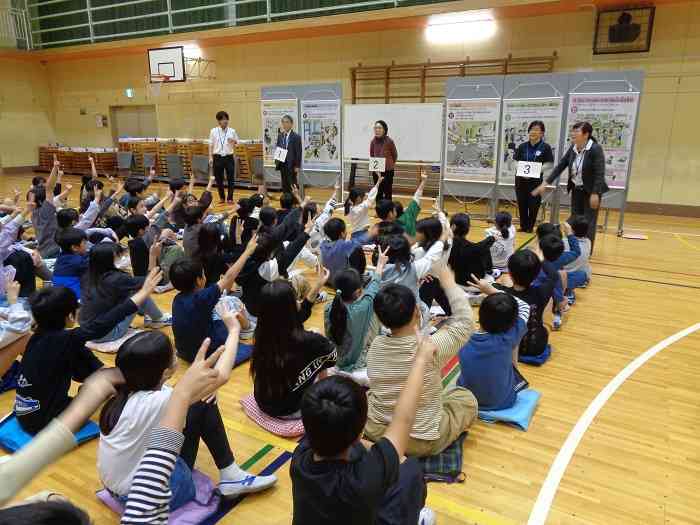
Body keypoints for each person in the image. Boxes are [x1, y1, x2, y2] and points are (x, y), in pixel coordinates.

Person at [98, 322, 277, 505]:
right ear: (165, 373)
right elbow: (221, 376)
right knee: (201, 402)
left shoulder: (124, 395)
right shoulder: (155, 402)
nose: (176, 354)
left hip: (120, 489)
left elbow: (184, 390)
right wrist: (234, 329)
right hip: (145, 497)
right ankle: (231, 475)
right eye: (173, 354)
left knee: (196, 400)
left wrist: (202, 388)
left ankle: (230, 474)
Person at [291, 335, 438, 525]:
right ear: (360, 432)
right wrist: (421, 359)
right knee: (410, 471)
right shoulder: (362, 479)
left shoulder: (299, 458)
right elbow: (404, 419)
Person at [14, 269, 162, 435]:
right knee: (105, 381)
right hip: (45, 424)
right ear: (70, 316)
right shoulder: (65, 340)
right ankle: (141, 395)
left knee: (80, 353)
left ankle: (116, 385)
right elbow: (104, 323)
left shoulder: (36, 337)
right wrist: (143, 293)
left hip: (25, 415)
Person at [365, 266, 478, 457]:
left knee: (371, 395)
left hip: (379, 431)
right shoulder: (432, 346)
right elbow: (466, 323)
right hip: (421, 440)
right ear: (418, 311)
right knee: (465, 398)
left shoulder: (376, 345)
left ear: (382, 319)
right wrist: (449, 283)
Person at [251, 280, 337, 419]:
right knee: (319, 346)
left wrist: (318, 284)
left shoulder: (262, 332)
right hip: (290, 410)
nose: (299, 301)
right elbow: (332, 355)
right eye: (296, 298)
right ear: (290, 307)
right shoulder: (307, 340)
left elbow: (302, 313)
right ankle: (324, 393)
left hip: (263, 400)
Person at [170, 236, 256, 363]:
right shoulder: (203, 297)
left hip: (183, 351)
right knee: (230, 310)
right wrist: (247, 251)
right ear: (199, 280)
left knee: (221, 308)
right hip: (207, 353)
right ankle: (248, 329)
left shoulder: (177, 299)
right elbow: (229, 277)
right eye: (203, 273)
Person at [457, 275, 530, 410]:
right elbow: (524, 306)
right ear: (511, 323)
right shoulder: (508, 336)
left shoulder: (462, 336)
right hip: (502, 401)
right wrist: (490, 290)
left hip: (468, 399)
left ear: (480, 315)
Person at [532, 121, 608, 249]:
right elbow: (560, 166)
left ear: (586, 134)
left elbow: (600, 172)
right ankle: (574, 246)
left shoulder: (595, 149)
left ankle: (586, 250)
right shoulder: (573, 148)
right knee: (575, 218)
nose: (573, 134)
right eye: (573, 131)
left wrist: (595, 193)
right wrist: (545, 183)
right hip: (577, 189)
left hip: (592, 191)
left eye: (577, 131)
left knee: (588, 221)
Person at [79, 243, 171, 343]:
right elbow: (149, 281)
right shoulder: (116, 278)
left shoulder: (88, 275)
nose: (120, 257)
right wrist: (152, 255)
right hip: (105, 334)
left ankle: (150, 315)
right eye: (117, 255)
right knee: (138, 292)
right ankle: (158, 319)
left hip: (87, 329)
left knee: (129, 293)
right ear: (108, 260)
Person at [324, 248, 388, 386]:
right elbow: (374, 286)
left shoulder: (329, 307)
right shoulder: (363, 308)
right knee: (374, 314)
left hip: (336, 359)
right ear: (359, 291)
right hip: (357, 363)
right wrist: (380, 264)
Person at [494, 250, 556, 360]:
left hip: (513, 347)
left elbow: (490, 286)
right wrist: (541, 261)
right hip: (538, 346)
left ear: (510, 273)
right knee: (549, 303)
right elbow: (553, 275)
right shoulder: (543, 291)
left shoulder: (502, 293)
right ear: (537, 274)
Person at [513, 120, 555, 233]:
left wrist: (534, 171)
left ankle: (530, 227)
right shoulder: (522, 146)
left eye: (536, 130)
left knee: (533, 205)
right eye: (531, 129)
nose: (533, 132)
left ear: (542, 133)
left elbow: (549, 164)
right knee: (522, 203)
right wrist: (520, 170)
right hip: (521, 180)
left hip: (535, 182)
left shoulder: (545, 147)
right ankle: (523, 226)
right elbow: (515, 161)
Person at [375, 170, 428, 239]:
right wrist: (423, 181)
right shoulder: (408, 216)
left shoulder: (379, 230)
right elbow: (417, 197)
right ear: (391, 213)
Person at [448, 212, 495, 287]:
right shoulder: (476, 248)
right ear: (468, 229)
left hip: (455, 279)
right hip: (475, 283)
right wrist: (492, 238)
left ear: (452, 227)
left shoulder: (445, 244)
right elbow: (483, 246)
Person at [209, 110, 239, 204]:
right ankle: (222, 197)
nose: (225, 121)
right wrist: (210, 157)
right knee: (219, 179)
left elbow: (237, 143)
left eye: (226, 119)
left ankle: (230, 198)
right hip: (217, 157)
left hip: (229, 157)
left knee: (231, 178)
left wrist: (233, 141)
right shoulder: (213, 131)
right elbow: (210, 145)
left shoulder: (232, 131)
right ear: (218, 121)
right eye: (223, 119)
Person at [51, 227, 89, 300]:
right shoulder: (79, 262)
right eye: (84, 243)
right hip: (76, 297)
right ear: (74, 247)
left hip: (60, 295)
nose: (86, 245)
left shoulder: (61, 257)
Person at [563, 215, 592, 303]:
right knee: (585, 271)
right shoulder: (588, 242)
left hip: (562, 276)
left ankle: (564, 291)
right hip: (577, 276)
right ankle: (568, 291)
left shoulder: (564, 242)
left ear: (572, 230)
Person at [344, 176, 382, 242]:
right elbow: (371, 197)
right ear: (358, 198)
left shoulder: (350, 208)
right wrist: (378, 183)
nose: (364, 198)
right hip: (362, 235)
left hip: (353, 236)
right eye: (363, 196)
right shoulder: (362, 207)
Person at [369, 120, 398, 201]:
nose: (377, 130)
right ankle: (379, 208)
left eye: (379, 128)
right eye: (375, 128)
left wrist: (389, 165)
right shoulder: (373, 142)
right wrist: (376, 170)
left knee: (388, 192)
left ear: (384, 130)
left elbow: (395, 155)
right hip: (377, 171)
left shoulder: (389, 141)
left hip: (388, 171)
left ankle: (388, 208)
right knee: (378, 192)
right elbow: (372, 155)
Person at [275, 114, 303, 194]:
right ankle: (286, 198)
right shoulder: (280, 135)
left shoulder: (296, 137)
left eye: (287, 122)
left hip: (292, 164)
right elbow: (278, 148)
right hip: (282, 163)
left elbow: (298, 152)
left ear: (291, 124)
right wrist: (277, 161)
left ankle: (294, 199)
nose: (285, 124)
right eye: (283, 122)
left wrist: (297, 166)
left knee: (292, 184)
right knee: (284, 184)